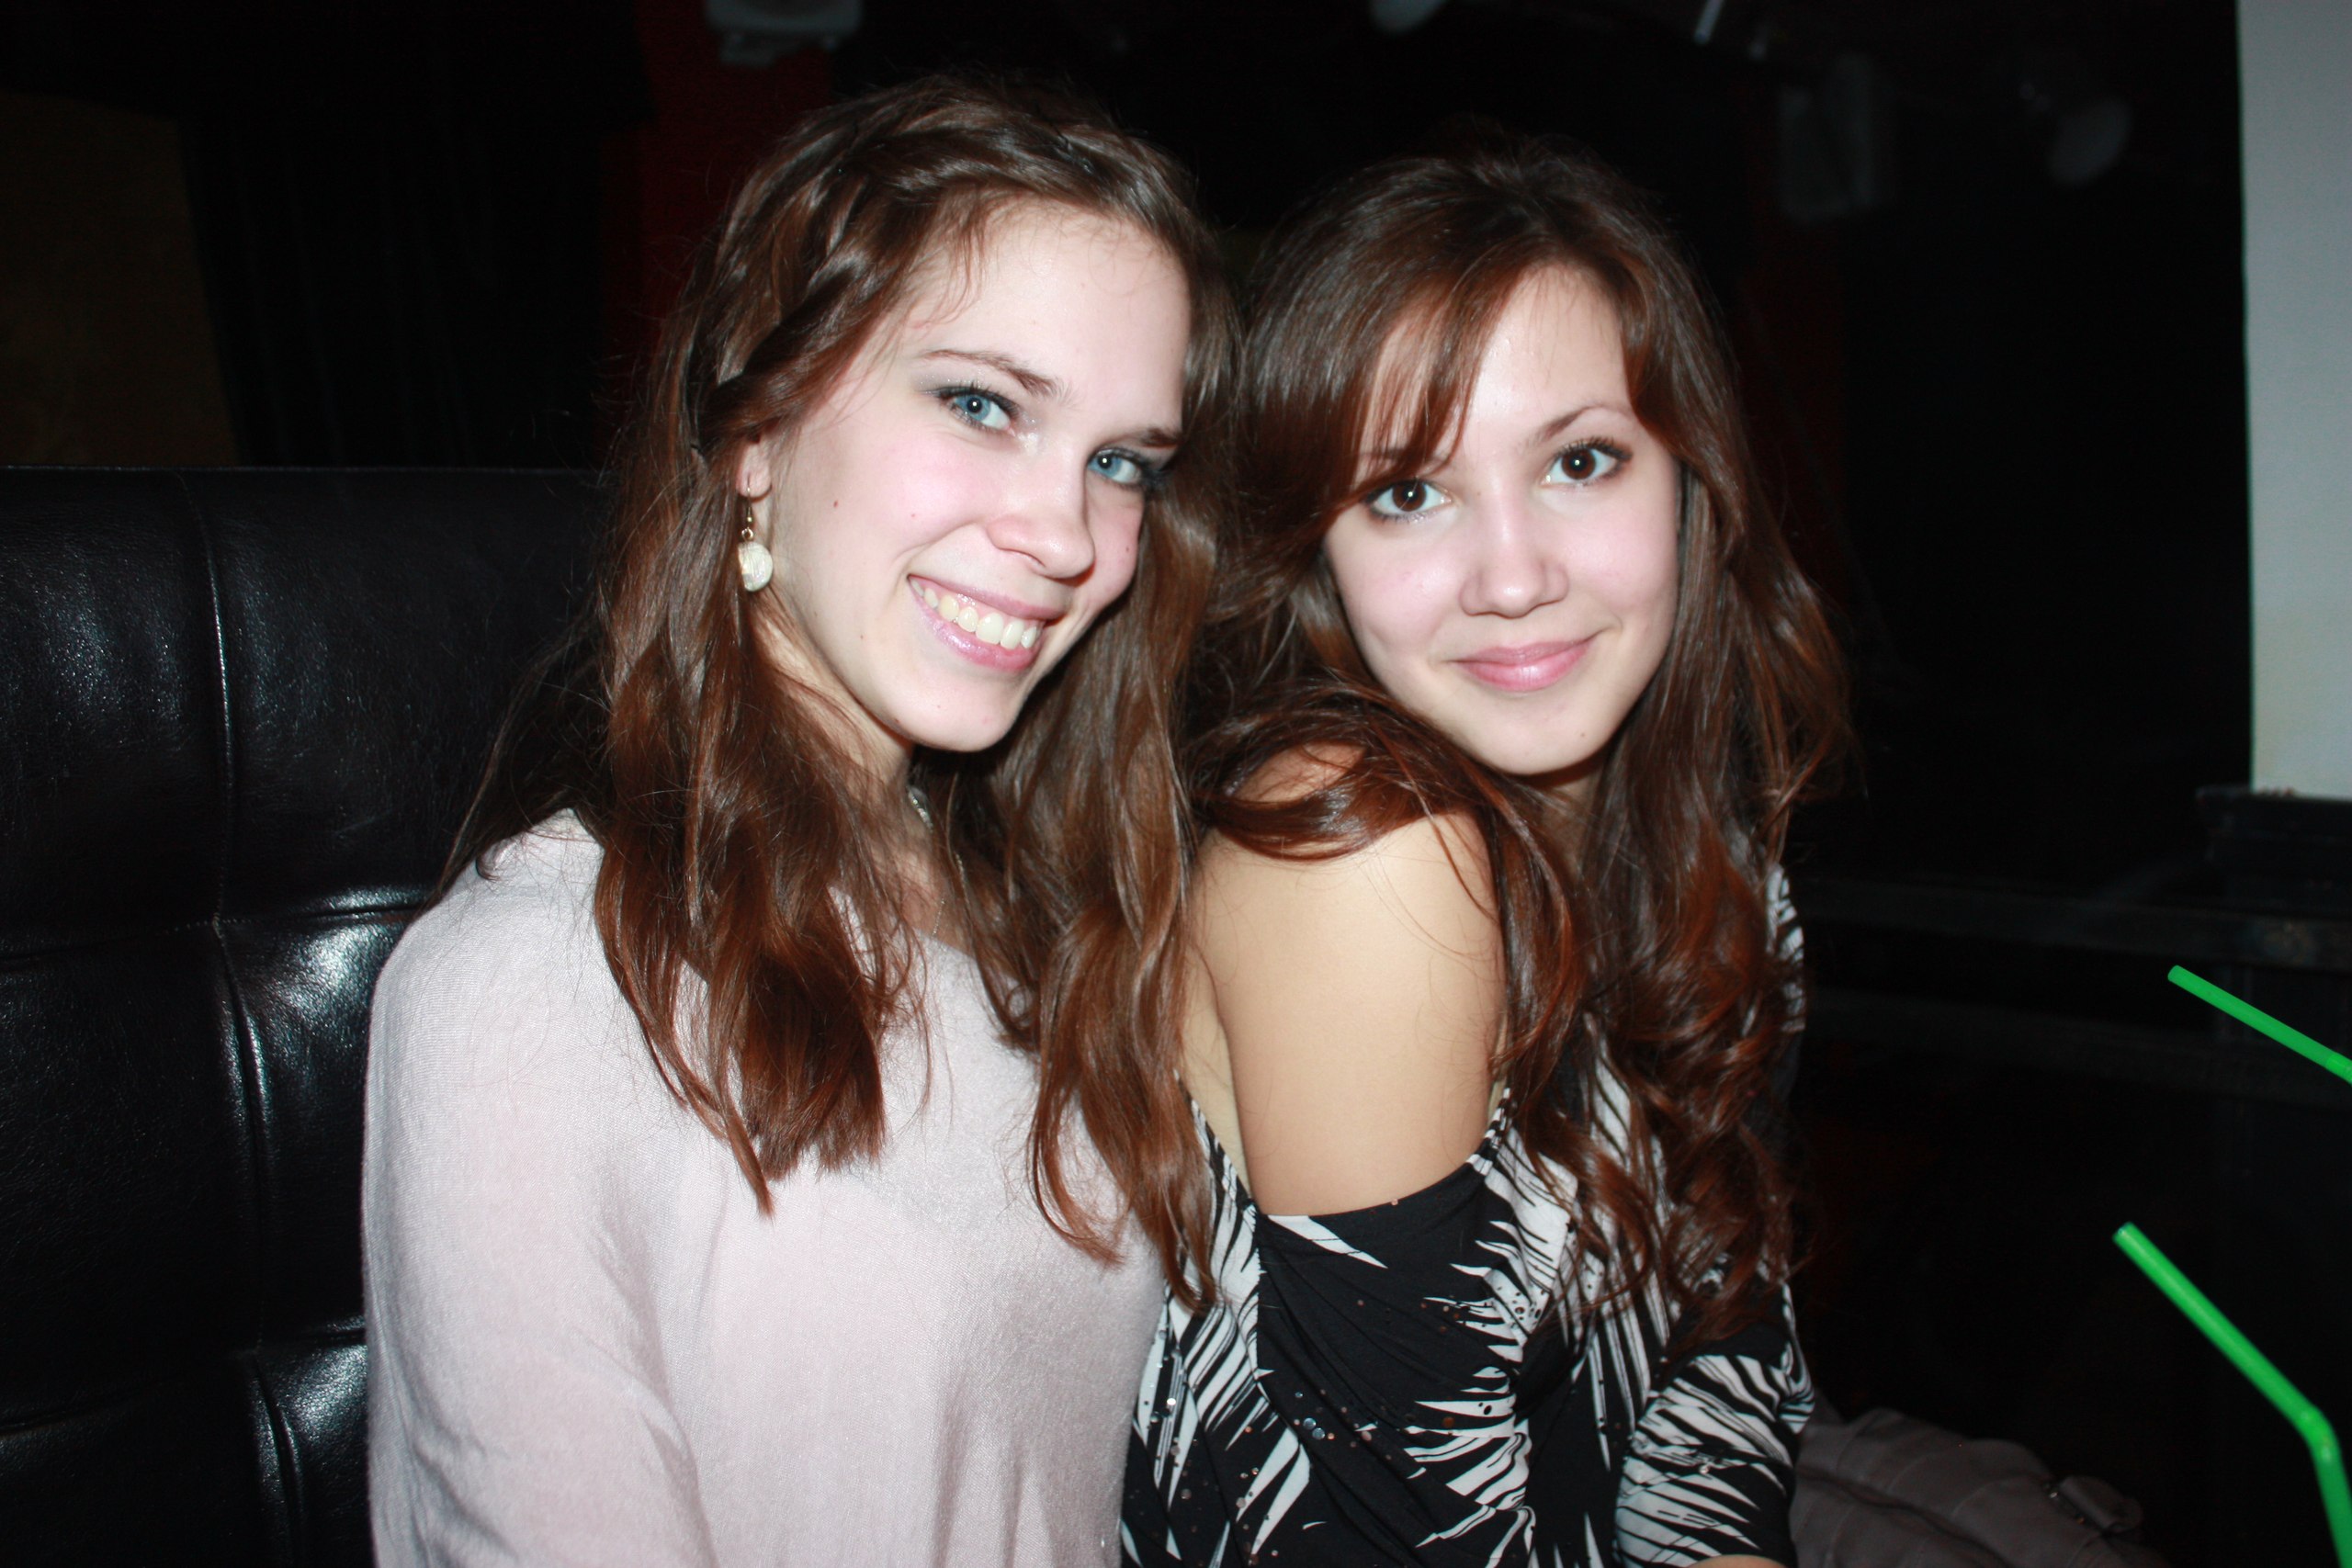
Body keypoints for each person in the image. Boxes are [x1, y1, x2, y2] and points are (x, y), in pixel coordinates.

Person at [363, 75, 1233, 1566]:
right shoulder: (530, 987)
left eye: (1120, 464)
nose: (1065, 536)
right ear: (757, 428)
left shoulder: (1051, 915)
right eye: (981, 404)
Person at [1125, 129, 1849, 1568]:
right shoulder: (1364, 853)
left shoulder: (1711, 850)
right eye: (1408, 492)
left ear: (1689, 478)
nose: (1514, 577)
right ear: (1315, 549)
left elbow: (1722, 1362)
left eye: (1580, 462)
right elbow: (1420, 1529)